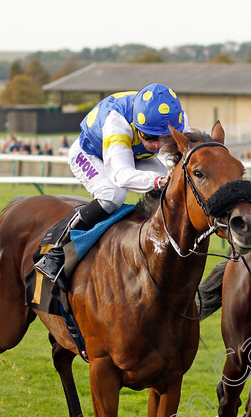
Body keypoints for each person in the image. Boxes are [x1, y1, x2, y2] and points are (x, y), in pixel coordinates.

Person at [34, 83, 188, 284]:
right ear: (137, 125)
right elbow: (121, 175)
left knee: (171, 189)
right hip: (90, 153)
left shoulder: (178, 119)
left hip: (134, 153)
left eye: (165, 137)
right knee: (112, 196)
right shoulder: (117, 121)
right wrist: (159, 180)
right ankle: (58, 251)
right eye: (149, 136)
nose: (158, 145)